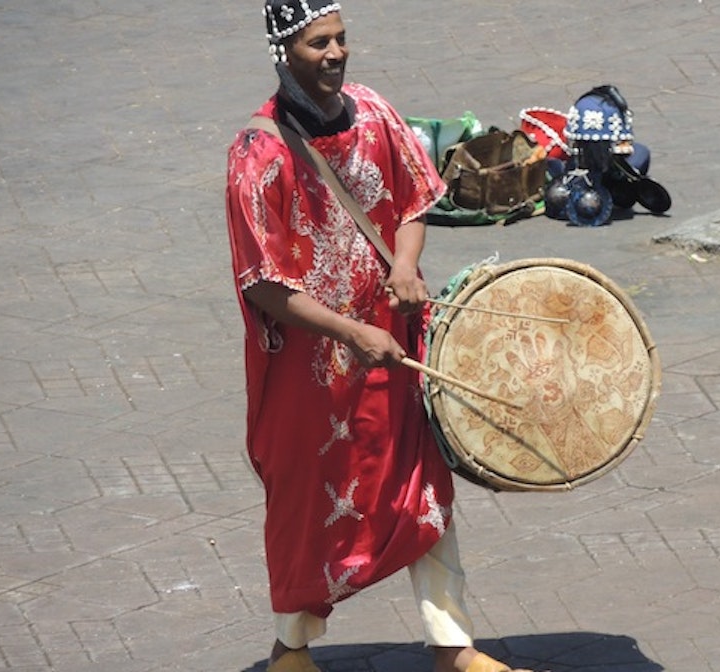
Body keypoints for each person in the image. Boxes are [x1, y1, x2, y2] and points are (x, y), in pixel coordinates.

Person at [224, 3, 535, 672]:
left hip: (392, 341)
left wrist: (401, 265)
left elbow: (414, 201)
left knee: (419, 483)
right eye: (317, 44)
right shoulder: (258, 156)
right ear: (284, 52)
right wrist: (347, 331)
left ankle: (453, 645)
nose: (335, 54)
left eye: (340, 40)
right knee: (309, 500)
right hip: (309, 371)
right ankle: (291, 648)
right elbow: (261, 282)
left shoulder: (374, 112)